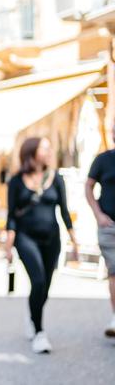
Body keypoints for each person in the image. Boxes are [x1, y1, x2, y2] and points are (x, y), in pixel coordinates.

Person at [4, 137, 79, 354]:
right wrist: (8, 245)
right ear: (32, 152)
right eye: (44, 147)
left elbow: (64, 211)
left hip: (52, 239)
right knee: (37, 281)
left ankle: (32, 315)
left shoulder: (56, 178)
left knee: (45, 287)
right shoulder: (16, 181)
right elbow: (11, 216)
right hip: (26, 238)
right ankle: (39, 332)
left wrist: (74, 239)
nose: (49, 151)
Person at [85, 132, 115, 338]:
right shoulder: (102, 160)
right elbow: (88, 186)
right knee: (114, 272)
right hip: (109, 225)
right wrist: (98, 214)